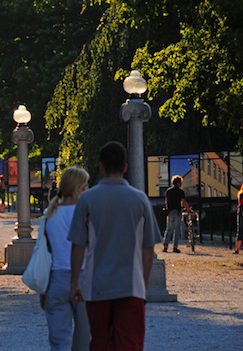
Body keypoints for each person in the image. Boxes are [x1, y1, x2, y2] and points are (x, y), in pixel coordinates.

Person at [69, 141, 162, 351]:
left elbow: (78, 245)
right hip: (131, 286)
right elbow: (148, 251)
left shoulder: (87, 199)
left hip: (97, 286)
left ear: (100, 166)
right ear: (126, 167)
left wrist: (75, 282)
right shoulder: (140, 200)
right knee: (129, 344)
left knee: (100, 343)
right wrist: (143, 287)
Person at [41, 167, 91, 351]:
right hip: (84, 278)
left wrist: (43, 290)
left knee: (59, 341)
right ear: (79, 188)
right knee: (85, 340)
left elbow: (45, 253)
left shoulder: (49, 215)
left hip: (55, 279)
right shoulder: (86, 213)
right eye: (85, 185)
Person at [162, 175, 193, 253]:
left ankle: (165, 247)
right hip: (178, 211)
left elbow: (166, 202)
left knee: (169, 229)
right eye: (181, 182)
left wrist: (168, 209)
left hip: (170, 212)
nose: (181, 184)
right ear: (178, 183)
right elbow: (184, 202)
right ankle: (175, 247)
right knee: (177, 229)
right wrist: (189, 210)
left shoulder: (168, 191)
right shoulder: (180, 192)